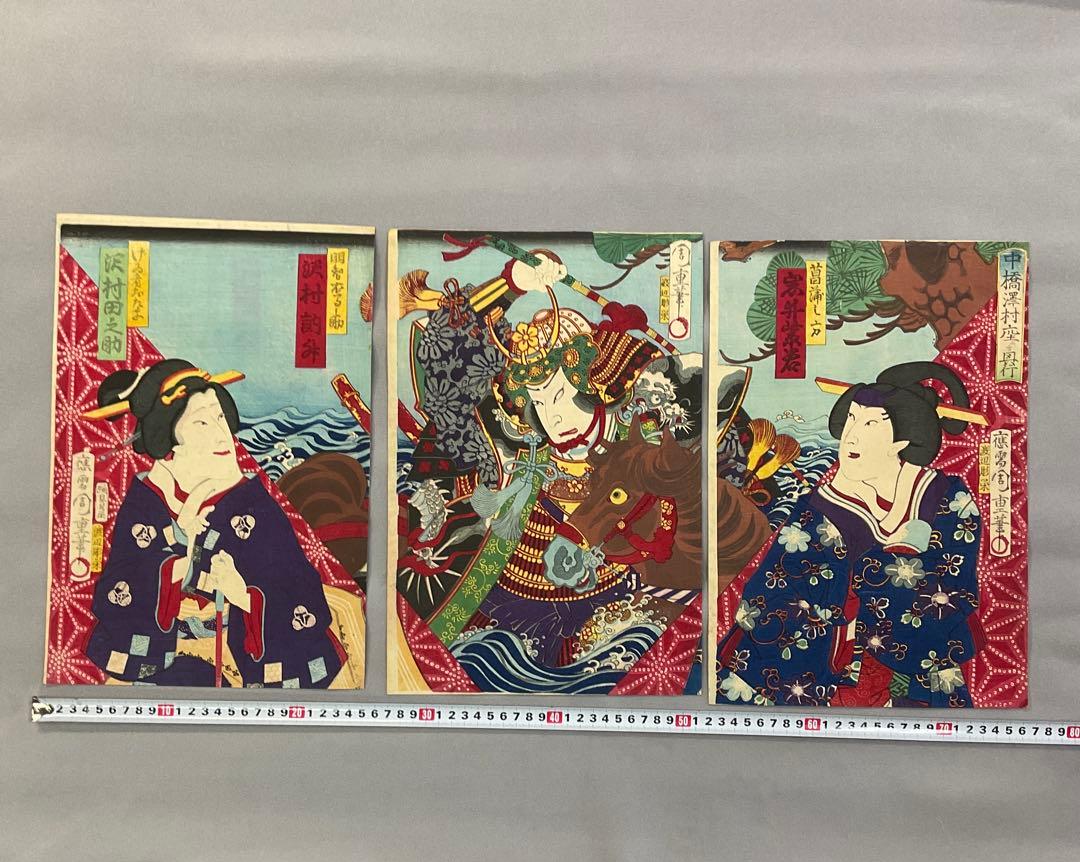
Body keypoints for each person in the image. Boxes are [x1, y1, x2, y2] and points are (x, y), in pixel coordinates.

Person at [404, 252, 695, 665]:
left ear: (593, 385)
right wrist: (512, 283)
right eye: (539, 403)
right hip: (511, 611)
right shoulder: (516, 452)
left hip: (626, 606)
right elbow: (449, 359)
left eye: (560, 396)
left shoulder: (642, 434)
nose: (553, 419)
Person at [717, 361, 984, 708]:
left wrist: (873, 575)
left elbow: (957, 587)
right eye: (852, 419)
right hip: (820, 667)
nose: (852, 435)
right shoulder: (821, 505)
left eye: (870, 424)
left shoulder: (945, 497)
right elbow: (770, 592)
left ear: (901, 440)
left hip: (918, 663)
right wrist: (846, 598)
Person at [83, 358, 345, 688]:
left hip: (240, 652)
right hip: (158, 654)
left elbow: (296, 584)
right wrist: (182, 548)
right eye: (202, 423)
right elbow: (121, 586)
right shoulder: (148, 499)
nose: (222, 435)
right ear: (170, 435)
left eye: (220, 417)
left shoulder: (249, 499)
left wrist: (243, 595)